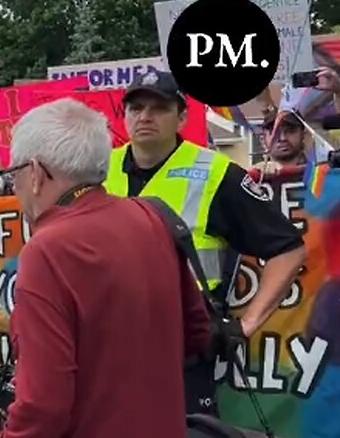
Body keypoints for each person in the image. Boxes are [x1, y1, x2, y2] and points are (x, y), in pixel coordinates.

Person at [0, 99, 212, 438]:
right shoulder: (151, 217)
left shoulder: (48, 250)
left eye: (13, 175)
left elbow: (43, 400)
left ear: (35, 173)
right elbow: (197, 332)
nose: (13, 187)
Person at [105, 71, 306, 415]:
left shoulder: (216, 173)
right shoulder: (97, 170)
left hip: (181, 344)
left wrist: (247, 325)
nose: (145, 117)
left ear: (182, 116)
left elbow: (288, 249)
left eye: (159, 108)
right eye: (136, 108)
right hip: (107, 342)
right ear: (123, 116)